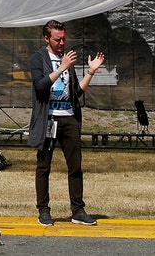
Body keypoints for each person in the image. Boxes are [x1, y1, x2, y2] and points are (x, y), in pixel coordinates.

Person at [26, 19, 105, 227]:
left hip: (69, 118)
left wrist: (90, 72)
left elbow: (75, 93)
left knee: (75, 166)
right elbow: (41, 86)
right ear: (46, 38)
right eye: (57, 39)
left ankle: (78, 210)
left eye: (64, 39)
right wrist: (61, 68)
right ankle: (43, 210)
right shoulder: (39, 58)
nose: (62, 43)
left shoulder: (66, 59)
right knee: (44, 166)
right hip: (48, 119)